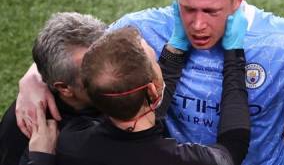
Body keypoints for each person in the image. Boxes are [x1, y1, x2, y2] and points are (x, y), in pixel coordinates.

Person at [15, 0, 284, 164]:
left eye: (210, 11)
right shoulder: (142, 29)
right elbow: (74, 53)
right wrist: (32, 79)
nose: (197, 24)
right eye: (188, 8)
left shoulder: (280, 39)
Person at [36, 13, 249, 165]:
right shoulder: (184, 159)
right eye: (156, 62)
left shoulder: (69, 142)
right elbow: (232, 149)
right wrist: (234, 55)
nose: (159, 63)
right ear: (152, 91)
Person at [0, 12, 106, 165]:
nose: (114, 72)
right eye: (95, 71)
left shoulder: (125, 82)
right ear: (64, 88)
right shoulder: (25, 127)